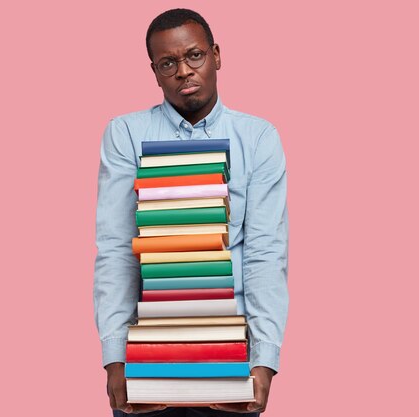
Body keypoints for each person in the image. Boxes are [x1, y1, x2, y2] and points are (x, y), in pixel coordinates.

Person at [94, 8, 288, 416]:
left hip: (233, 354)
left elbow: (266, 254)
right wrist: (114, 359)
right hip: (145, 356)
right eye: (168, 63)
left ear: (216, 55)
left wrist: (265, 360)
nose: (184, 71)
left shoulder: (257, 138)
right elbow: (115, 249)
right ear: (155, 71)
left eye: (194, 56)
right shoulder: (126, 133)